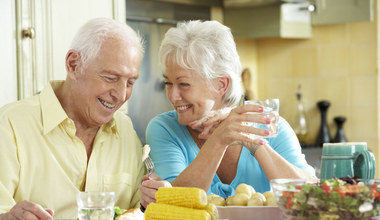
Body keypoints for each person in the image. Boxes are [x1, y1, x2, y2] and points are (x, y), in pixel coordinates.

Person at [0, 17, 168, 220]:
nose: (121, 95)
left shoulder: (124, 129)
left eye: (130, 82)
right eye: (111, 78)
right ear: (73, 65)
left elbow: (137, 211)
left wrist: (151, 201)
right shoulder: (10, 125)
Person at [145, 20, 316, 199]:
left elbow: (311, 197)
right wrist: (219, 140)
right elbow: (175, 203)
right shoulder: (164, 129)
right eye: (168, 83)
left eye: (184, 84)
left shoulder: (271, 126)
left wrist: (252, 140)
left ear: (221, 85)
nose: (172, 96)